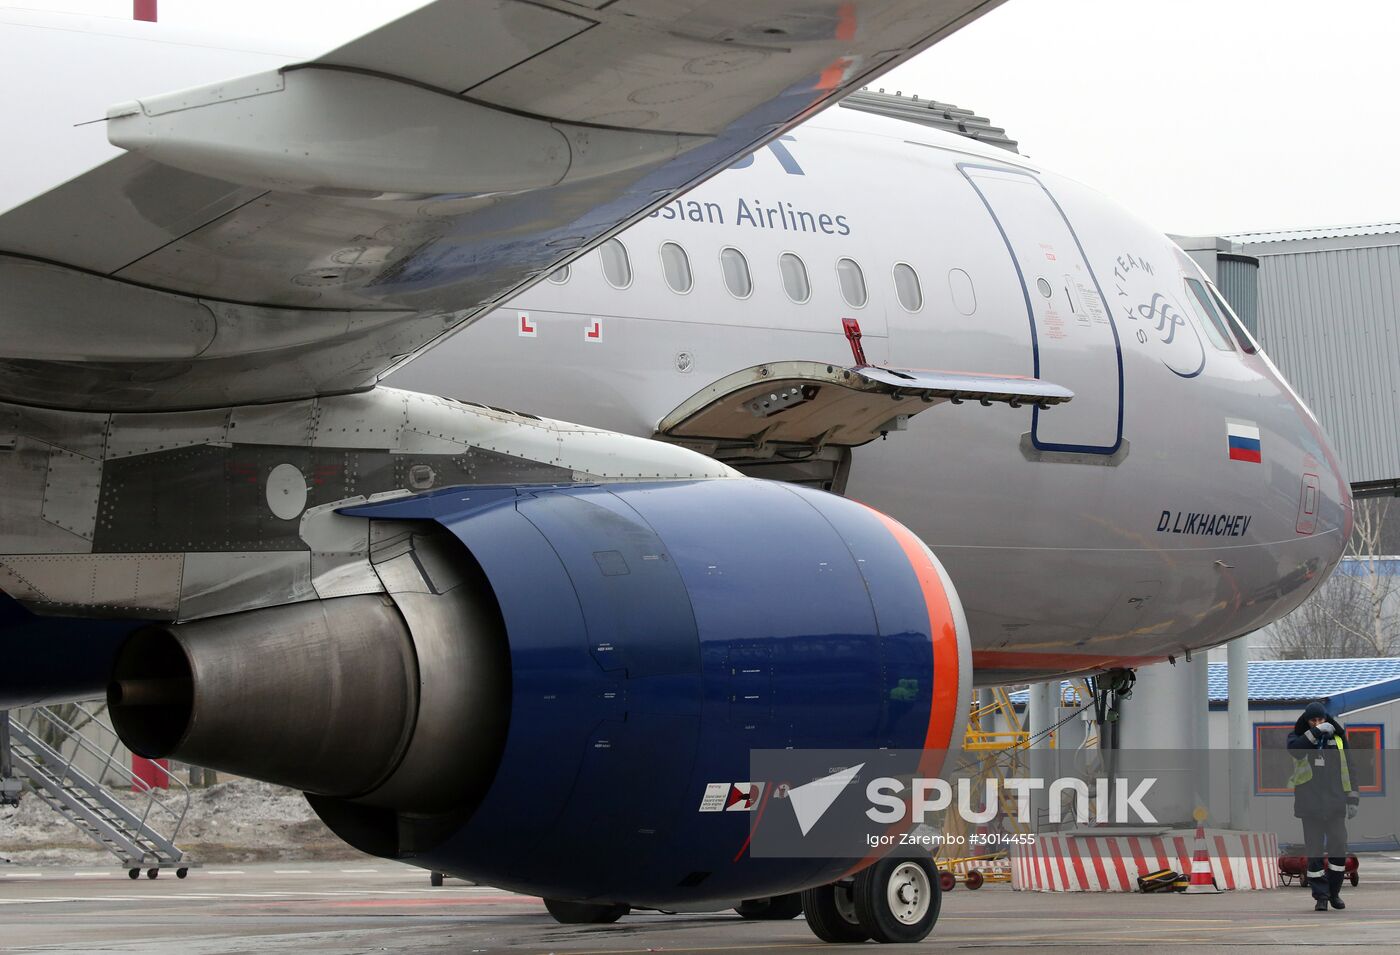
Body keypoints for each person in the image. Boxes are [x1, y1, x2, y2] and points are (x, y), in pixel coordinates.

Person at [1287, 701, 1359, 911]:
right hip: (1310, 806)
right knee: (1315, 852)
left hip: (1335, 803)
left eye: (1321, 720)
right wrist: (1316, 732)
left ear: (1327, 719)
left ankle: (1334, 892)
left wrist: (1353, 798)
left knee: (1338, 848)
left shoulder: (1338, 740)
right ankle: (1321, 896)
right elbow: (1296, 751)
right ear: (1307, 721)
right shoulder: (1298, 739)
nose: (1318, 723)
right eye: (1313, 720)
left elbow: (1350, 768)